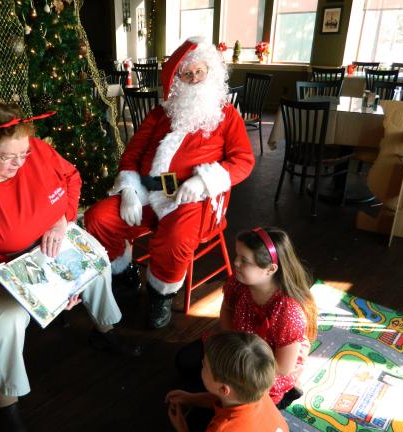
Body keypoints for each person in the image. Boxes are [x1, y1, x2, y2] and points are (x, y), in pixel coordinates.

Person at [0, 101, 141, 432]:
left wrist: (62, 220)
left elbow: (71, 178)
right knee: (7, 315)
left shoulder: (36, 151)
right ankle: (7, 402)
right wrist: (46, 292)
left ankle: (105, 330)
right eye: (6, 157)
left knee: (95, 259)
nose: (17, 164)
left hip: (38, 243)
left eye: (23, 155)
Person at [84, 37, 255, 328]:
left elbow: (243, 162)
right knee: (97, 217)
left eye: (200, 72)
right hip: (147, 191)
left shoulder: (226, 116)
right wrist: (127, 190)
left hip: (192, 199)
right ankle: (123, 272)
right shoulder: (161, 113)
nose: (194, 79)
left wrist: (203, 182)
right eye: (187, 75)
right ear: (177, 80)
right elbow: (132, 154)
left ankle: (159, 295)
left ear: (211, 72)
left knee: (175, 240)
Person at [176, 227, 317, 409]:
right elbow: (227, 308)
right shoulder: (238, 281)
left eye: (245, 260)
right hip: (236, 343)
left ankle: (287, 393)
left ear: (270, 269)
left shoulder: (288, 312)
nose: (235, 263)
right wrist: (228, 343)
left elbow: (283, 367)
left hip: (262, 365)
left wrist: (236, 364)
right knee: (184, 362)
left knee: (232, 398)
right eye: (237, 256)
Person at [166, 331, 289, 432]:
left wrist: (181, 427)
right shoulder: (259, 393)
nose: (201, 363)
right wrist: (190, 398)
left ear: (224, 389)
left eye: (205, 365)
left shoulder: (221, 428)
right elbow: (224, 400)